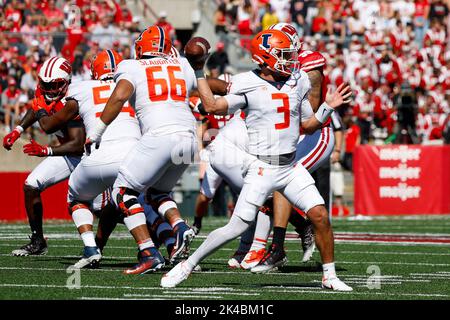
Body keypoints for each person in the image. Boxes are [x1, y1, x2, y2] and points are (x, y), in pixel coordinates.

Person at [161, 29, 352, 291]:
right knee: (235, 227)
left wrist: (327, 107)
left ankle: (329, 276)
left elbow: (307, 126)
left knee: (320, 215)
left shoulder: (298, 79)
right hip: (262, 168)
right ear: (266, 58)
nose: (291, 60)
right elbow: (213, 107)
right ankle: (187, 265)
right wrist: (198, 72)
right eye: (284, 55)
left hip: (291, 166)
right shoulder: (245, 82)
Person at [85, 26, 197, 274]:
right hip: (189, 137)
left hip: (160, 135)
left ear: (141, 47)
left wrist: (97, 131)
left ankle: (149, 252)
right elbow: (197, 89)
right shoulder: (183, 66)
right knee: (157, 193)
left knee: (122, 192)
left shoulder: (131, 66)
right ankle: (179, 226)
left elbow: (117, 98)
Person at [3, 57, 85, 257]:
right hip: (67, 154)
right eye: (45, 84)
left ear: (66, 82)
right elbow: (37, 109)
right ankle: (37, 241)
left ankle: (154, 240)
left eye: (54, 84)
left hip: (87, 156)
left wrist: (46, 151)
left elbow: (76, 144)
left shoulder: (74, 99)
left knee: (107, 208)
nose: (48, 89)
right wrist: (18, 129)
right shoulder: (48, 94)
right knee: (31, 185)